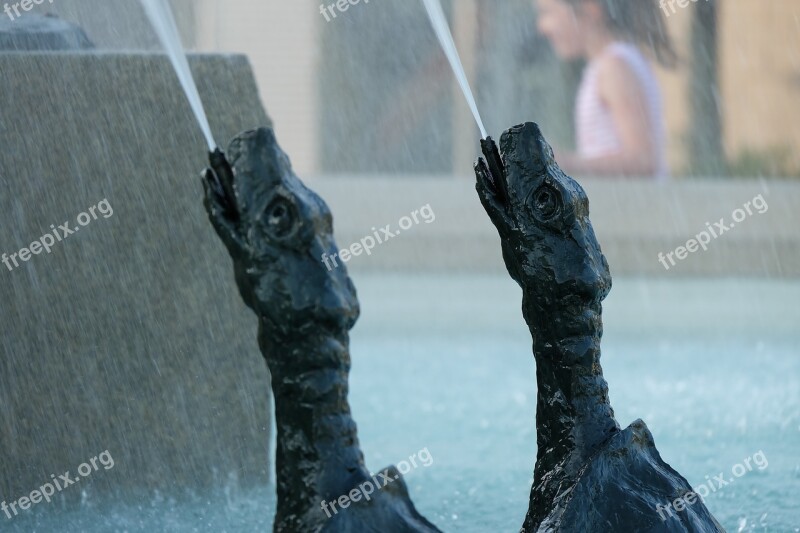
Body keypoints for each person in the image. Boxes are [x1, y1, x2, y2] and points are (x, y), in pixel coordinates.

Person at [536, 0, 676, 178]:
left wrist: (562, 162)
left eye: (548, 12)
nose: (542, 27)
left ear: (590, 10)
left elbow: (643, 160)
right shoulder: (609, 64)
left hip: (633, 204)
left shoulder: (614, 67)